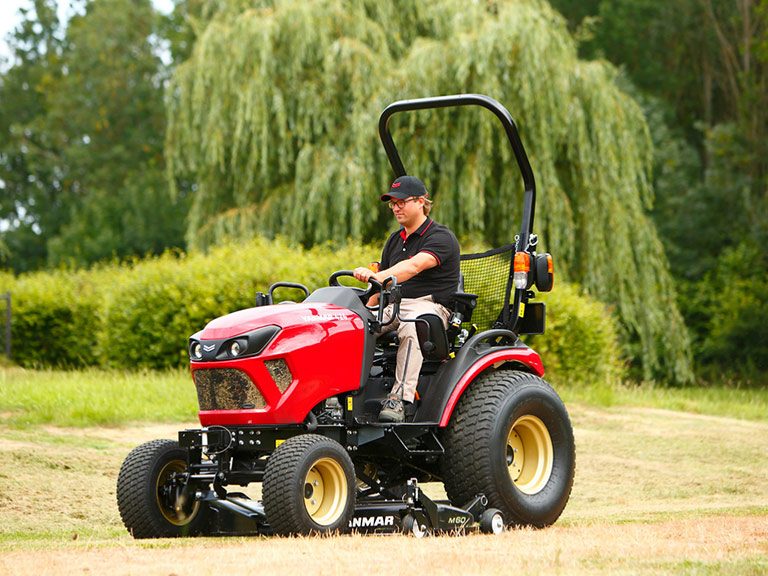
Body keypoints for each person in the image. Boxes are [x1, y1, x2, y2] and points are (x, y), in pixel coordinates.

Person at [353, 175, 460, 422]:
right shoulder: (394, 240)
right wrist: (362, 312)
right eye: (392, 203)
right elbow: (381, 289)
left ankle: (399, 399)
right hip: (394, 304)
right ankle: (340, 393)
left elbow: (413, 267)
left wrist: (376, 275)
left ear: (421, 201)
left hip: (432, 307)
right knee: (356, 325)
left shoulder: (440, 237)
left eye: (402, 201)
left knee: (413, 325)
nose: (396, 207)